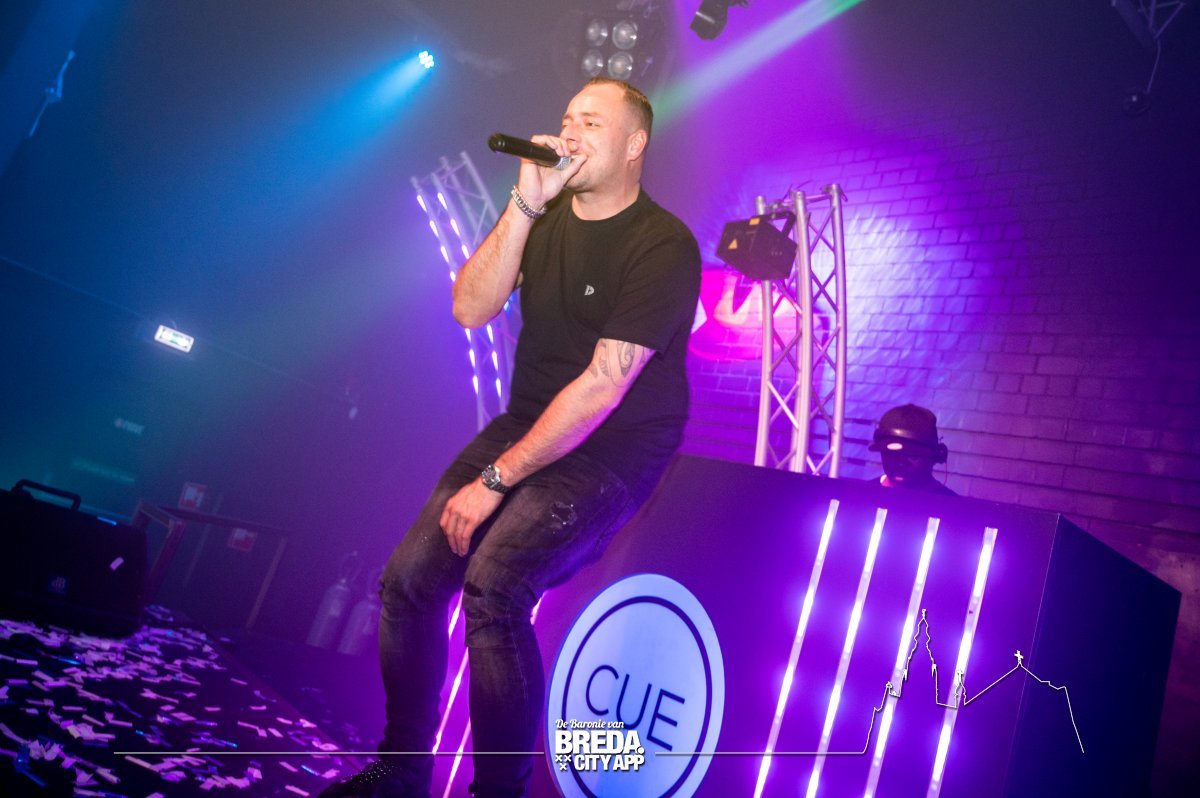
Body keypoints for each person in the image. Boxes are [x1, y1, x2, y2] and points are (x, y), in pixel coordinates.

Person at [320, 78, 701, 798]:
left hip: (614, 449)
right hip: (529, 420)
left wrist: (494, 481)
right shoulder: (543, 218)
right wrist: (525, 204)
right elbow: (470, 308)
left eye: (592, 122)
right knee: (407, 582)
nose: (571, 132)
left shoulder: (663, 245)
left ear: (635, 144)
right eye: (567, 117)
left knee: (494, 585)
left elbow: (602, 388)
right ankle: (402, 770)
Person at [868, 403, 957, 496]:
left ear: (935, 455)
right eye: (891, 454)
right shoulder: (862, 495)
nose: (899, 463)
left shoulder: (952, 504)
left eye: (912, 455)